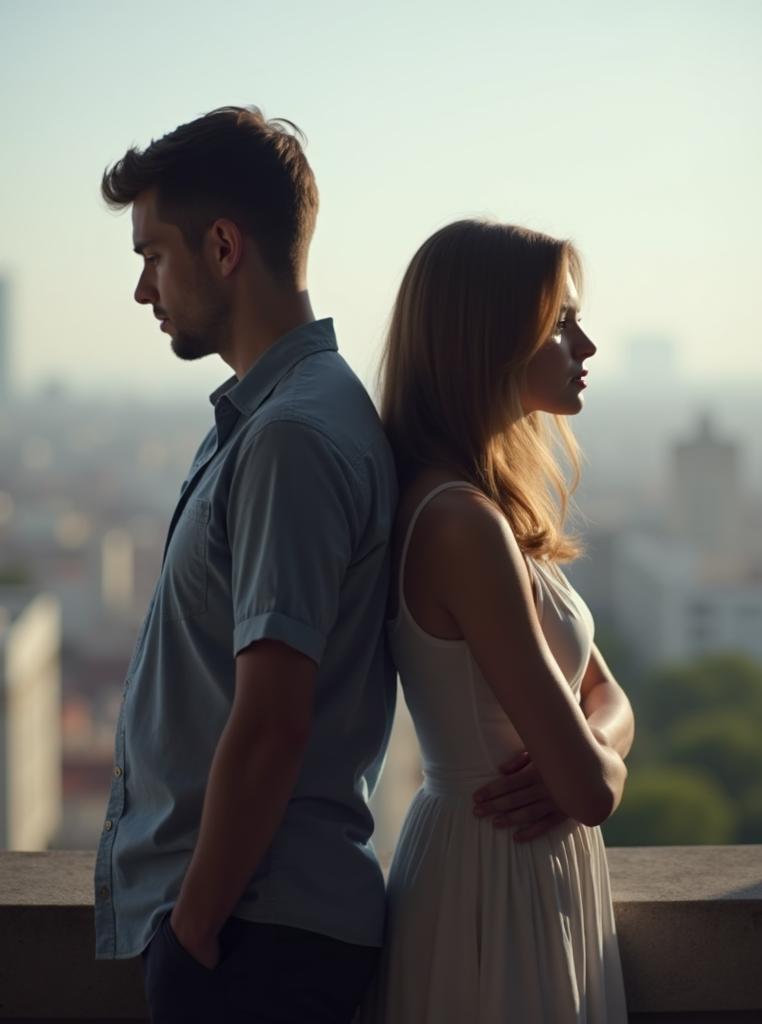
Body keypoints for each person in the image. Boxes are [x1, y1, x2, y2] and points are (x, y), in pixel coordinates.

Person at [93, 107, 397, 1024]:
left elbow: (272, 722)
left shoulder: (289, 439)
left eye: (152, 255)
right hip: (258, 931)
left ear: (223, 246)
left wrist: (192, 927)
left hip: (252, 940)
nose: (144, 291)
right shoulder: (284, 417)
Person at [363, 220, 633, 1023]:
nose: (585, 344)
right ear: (489, 337)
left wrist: (585, 754)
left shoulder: (488, 509)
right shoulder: (459, 524)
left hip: (509, 864)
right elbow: (589, 787)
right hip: (495, 873)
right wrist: (593, 770)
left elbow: (604, 692)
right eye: (560, 322)